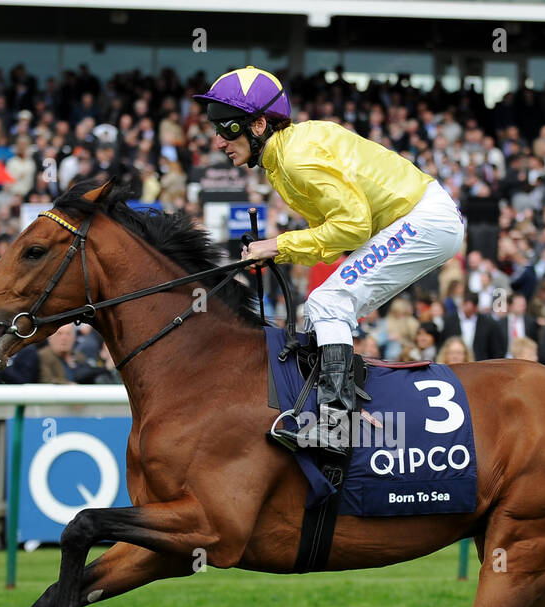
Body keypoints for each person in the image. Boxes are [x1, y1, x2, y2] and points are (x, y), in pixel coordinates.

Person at [198, 66, 465, 454]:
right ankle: (330, 410)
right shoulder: (282, 159)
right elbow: (333, 237)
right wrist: (279, 249)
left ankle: (339, 425)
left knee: (329, 303)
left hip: (423, 219)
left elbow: (352, 227)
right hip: (416, 218)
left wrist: (277, 246)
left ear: (257, 126)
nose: (219, 140)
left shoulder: (295, 160)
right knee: (319, 310)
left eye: (227, 128)